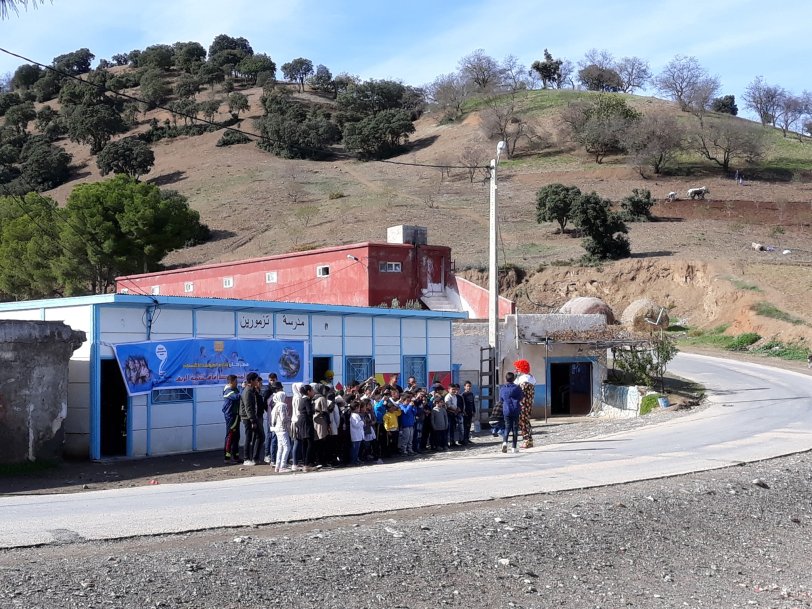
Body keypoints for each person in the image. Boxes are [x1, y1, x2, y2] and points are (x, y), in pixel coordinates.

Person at [239, 372, 264, 465]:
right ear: (251, 381)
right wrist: (253, 420)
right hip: (248, 418)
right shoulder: (248, 391)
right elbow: (248, 407)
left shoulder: (252, 390)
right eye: (256, 380)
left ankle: (254, 458)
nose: (258, 382)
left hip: (252, 416)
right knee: (250, 437)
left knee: (259, 436)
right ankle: (246, 459)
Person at [514, 359, 536, 449]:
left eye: (518, 369)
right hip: (528, 403)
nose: (516, 370)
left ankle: (526, 440)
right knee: (526, 422)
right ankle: (529, 440)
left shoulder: (524, 380)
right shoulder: (530, 378)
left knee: (523, 422)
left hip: (523, 404)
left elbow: (520, 392)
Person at [499, 372, 523, 454]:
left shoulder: (502, 388)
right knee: (515, 428)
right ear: (513, 379)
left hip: (506, 410)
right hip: (516, 409)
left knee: (507, 427)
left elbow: (501, 400)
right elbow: (521, 398)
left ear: (506, 379)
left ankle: (504, 442)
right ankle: (514, 447)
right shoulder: (517, 388)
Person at [295, 384, 316, 471]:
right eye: (312, 390)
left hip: (301, 421)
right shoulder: (307, 400)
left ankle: (305, 463)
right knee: (310, 442)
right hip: (306, 421)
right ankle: (307, 464)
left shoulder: (301, 399)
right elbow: (309, 412)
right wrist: (314, 409)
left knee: (304, 443)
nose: (313, 392)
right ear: (308, 392)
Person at [270, 390, 291, 473]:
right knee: (287, 447)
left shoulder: (276, 406)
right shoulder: (282, 405)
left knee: (280, 448)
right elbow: (283, 418)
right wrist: (289, 419)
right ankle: (283, 465)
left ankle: (278, 466)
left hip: (277, 429)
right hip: (282, 428)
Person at [222, 375, 241, 463]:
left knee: (237, 436)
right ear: (231, 382)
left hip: (237, 415)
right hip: (230, 416)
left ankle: (236, 456)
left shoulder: (235, 389)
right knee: (230, 436)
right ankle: (227, 457)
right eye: (236, 382)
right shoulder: (228, 391)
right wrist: (244, 389)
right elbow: (237, 397)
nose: (237, 383)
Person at [461, 381, 476, 445]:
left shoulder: (471, 394)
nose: (469, 387)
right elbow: (462, 404)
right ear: (464, 387)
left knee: (469, 426)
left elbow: (473, 403)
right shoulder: (463, 395)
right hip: (465, 413)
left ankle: (467, 438)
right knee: (465, 426)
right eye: (467, 386)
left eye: (470, 386)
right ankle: (464, 439)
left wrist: (474, 411)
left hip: (470, 412)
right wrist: (464, 412)